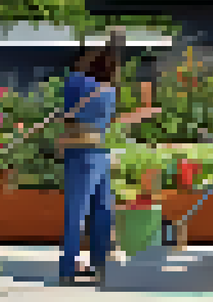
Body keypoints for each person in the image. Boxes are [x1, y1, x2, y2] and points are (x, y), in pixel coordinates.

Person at [57, 26, 160, 287]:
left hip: (82, 152)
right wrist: (144, 113)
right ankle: (97, 265)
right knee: (101, 209)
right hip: (96, 152)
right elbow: (111, 123)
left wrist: (109, 45)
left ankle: (73, 266)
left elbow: (83, 116)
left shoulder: (75, 82)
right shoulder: (106, 91)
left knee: (80, 211)